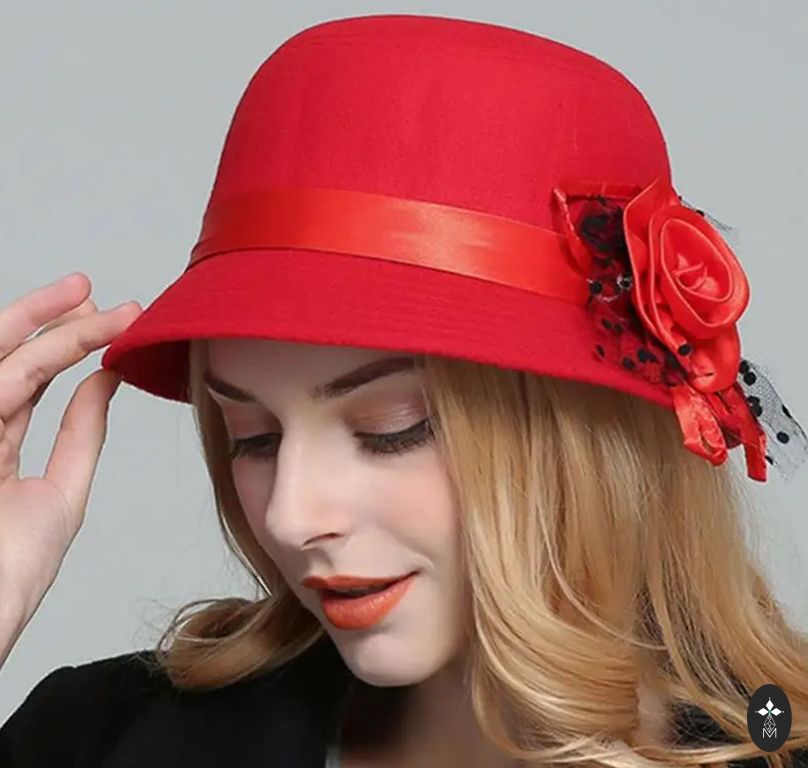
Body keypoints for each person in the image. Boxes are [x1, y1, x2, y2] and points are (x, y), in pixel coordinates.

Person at [0, 12, 806, 768]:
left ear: (591, 437)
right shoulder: (95, 738)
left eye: (391, 427)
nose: (291, 516)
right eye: (254, 436)